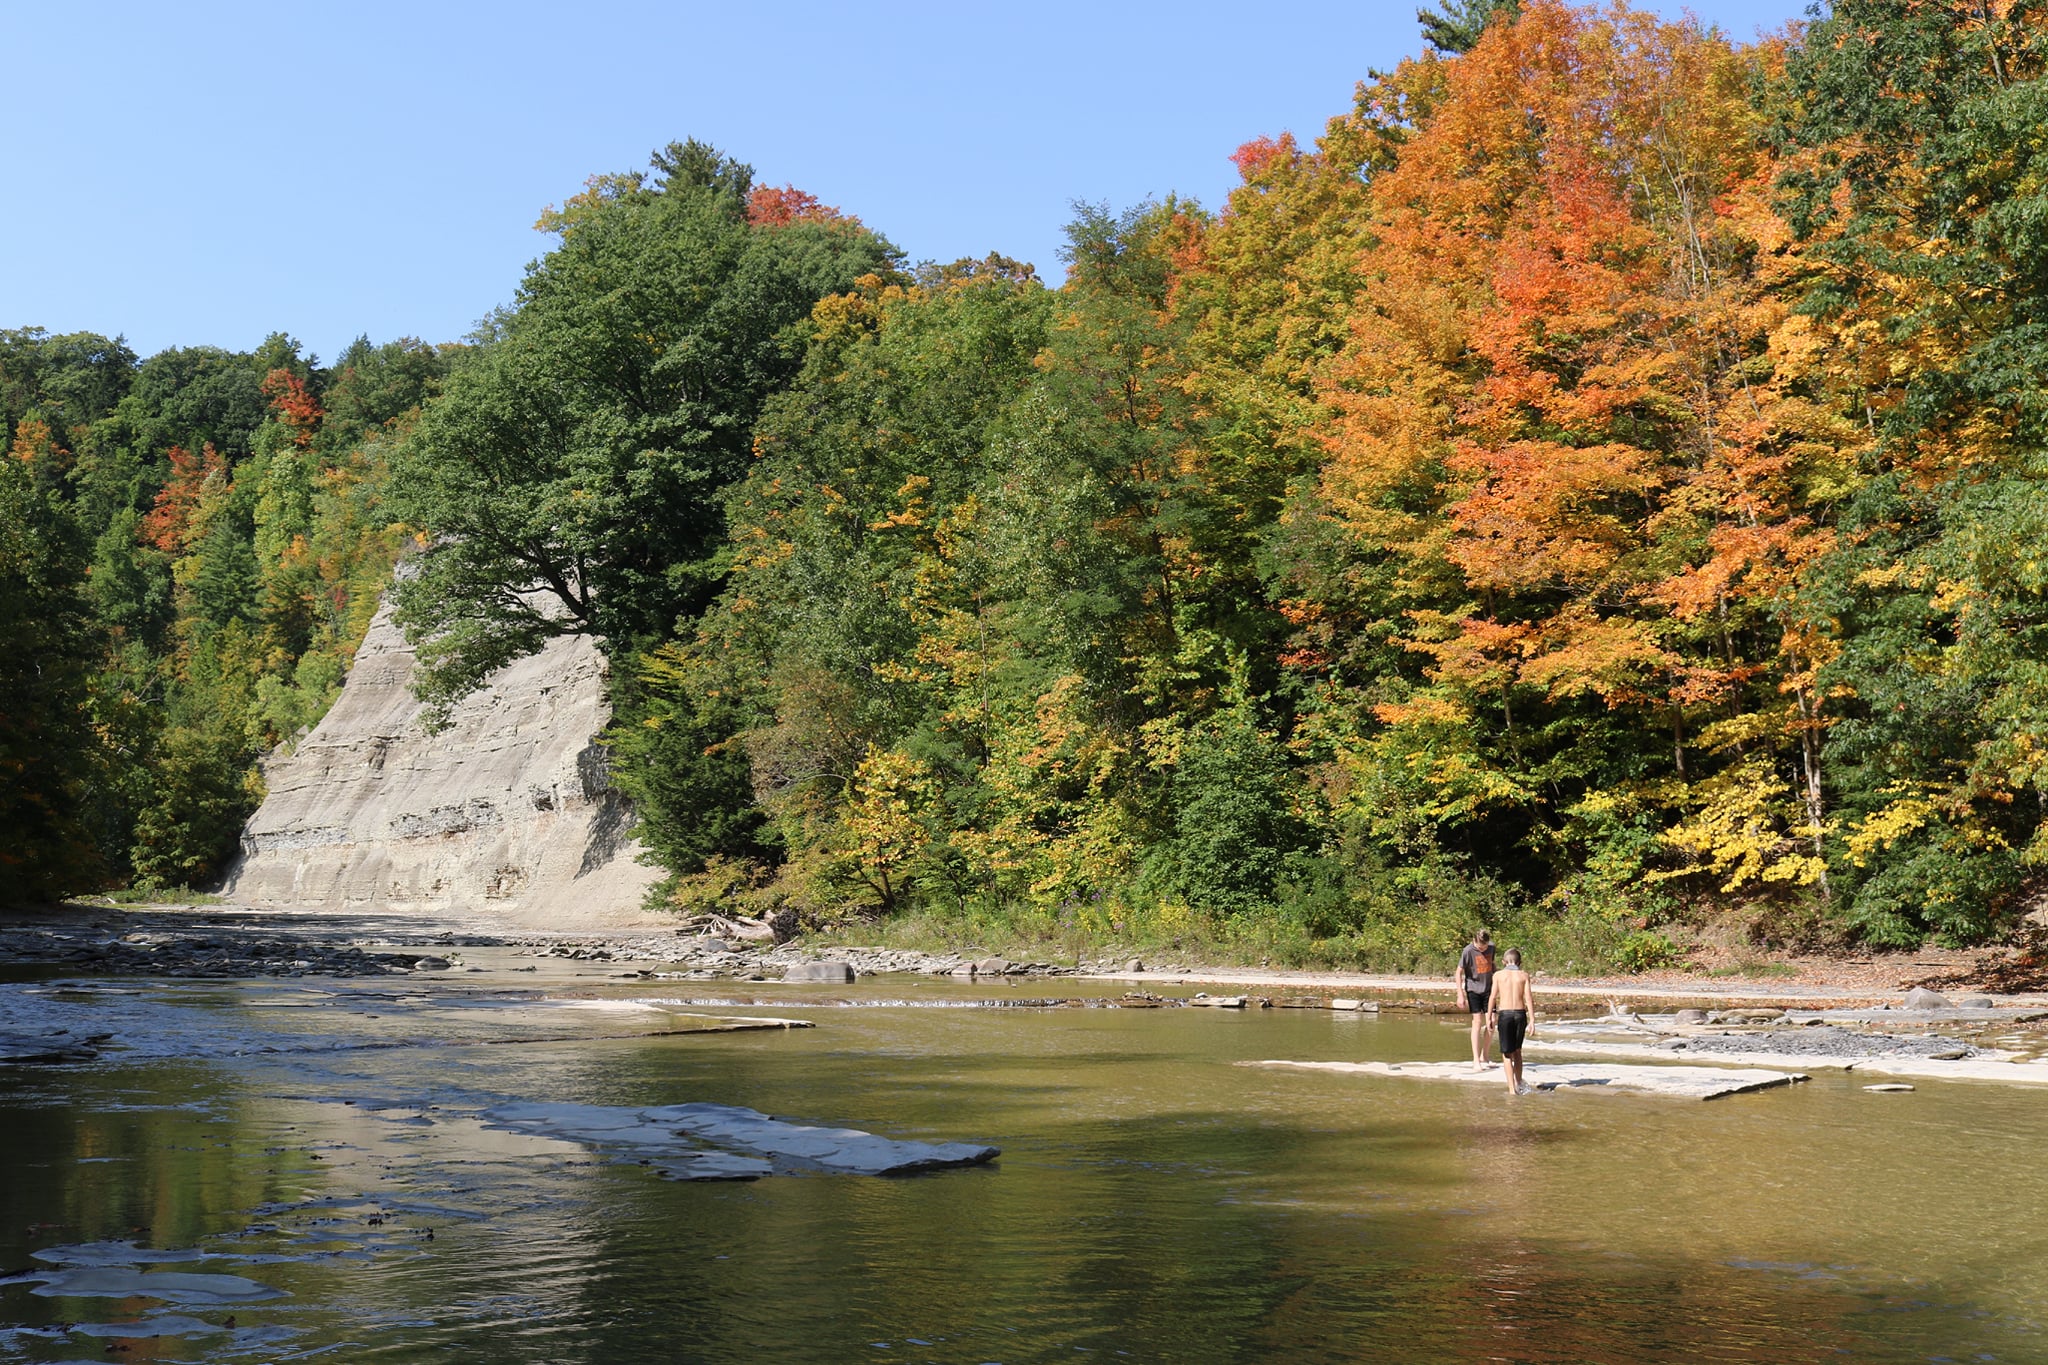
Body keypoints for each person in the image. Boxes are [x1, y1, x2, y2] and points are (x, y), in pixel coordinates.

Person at [1489, 948, 1534, 1095]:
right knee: (1518, 1051)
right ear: (1520, 962)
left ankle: (1511, 1090)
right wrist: (1532, 1020)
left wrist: (1490, 1016)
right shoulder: (1524, 975)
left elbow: (1492, 997)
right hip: (1520, 1014)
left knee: (1507, 1054)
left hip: (1505, 1014)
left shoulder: (1498, 975)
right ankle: (1518, 1083)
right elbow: (1528, 998)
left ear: (1503, 962)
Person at [1455, 929, 1495, 1071]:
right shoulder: (1468, 951)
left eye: (1484, 947)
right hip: (1473, 989)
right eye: (1479, 947)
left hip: (1489, 988)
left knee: (1491, 1022)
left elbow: (1492, 965)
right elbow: (1458, 971)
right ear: (1474, 942)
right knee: (1477, 1022)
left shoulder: (1492, 947)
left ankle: (1485, 1055)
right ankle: (1475, 1059)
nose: (1482, 950)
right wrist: (1460, 994)